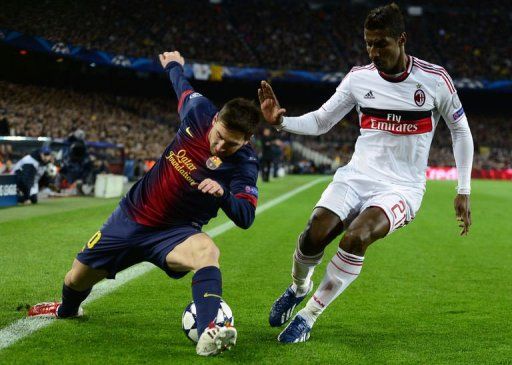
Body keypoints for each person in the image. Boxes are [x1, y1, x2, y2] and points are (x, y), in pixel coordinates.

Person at [258, 3, 473, 343]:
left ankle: (309, 315)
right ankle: (299, 287)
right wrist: (282, 122)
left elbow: (460, 131)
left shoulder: (434, 80)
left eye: (381, 43)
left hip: (401, 188)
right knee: (314, 234)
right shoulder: (359, 78)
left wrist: (463, 190)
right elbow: (322, 120)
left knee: (356, 238)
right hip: (356, 177)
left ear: (401, 39)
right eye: (368, 43)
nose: (373, 52)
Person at [29, 51, 261, 356]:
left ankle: (209, 331)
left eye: (231, 144)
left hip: (176, 234)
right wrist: (174, 65)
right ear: (215, 119)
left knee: (208, 251)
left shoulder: (245, 164)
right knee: (76, 278)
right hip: (130, 217)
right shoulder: (198, 111)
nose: (220, 146)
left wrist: (224, 194)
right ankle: (67, 310)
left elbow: (245, 217)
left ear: (247, 140)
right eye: (218, 137)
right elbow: (182, 86)